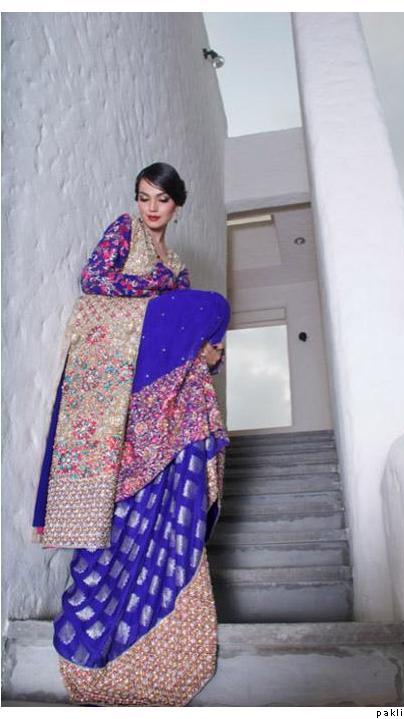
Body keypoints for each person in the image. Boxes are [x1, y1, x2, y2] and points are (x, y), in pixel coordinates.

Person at [31, 162, 231, 706]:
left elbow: (191, 341)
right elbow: (94, 281)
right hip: (115, 345)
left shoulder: (179, 266)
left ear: (177, 205)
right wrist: (155, 290)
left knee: (208, 313)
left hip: (144, 362)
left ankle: (158, 426)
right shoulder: (126, 231)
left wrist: (208, 357)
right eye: (144, 197)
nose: (151, 208)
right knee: (209, 304)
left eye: (161, 200)